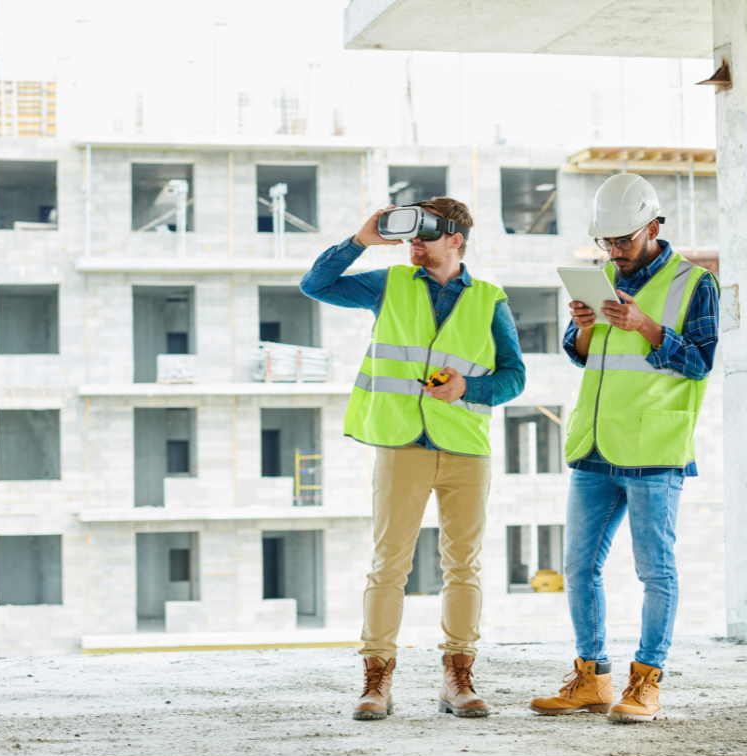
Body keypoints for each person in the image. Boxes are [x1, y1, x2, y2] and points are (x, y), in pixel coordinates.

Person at [301, 197, 525, 721]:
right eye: (410, 235)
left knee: (463, 568)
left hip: (466, 448)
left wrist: (470, 386)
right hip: (402, 445)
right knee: (388, 568)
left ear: (457, 241)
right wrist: (360, 242)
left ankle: (457, 677)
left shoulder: (490, 299)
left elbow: (514, 377)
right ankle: (376, 682)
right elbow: (316, 285)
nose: (413, 244)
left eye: (426, 235)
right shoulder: (389, 284)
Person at [528, 174, 719, 723]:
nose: (615, 251)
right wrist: (583, 327)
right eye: (606, 242)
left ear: (653, 226)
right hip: (595, 446)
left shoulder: (693, 283)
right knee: (579, 566)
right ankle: (591, 680)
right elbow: (582, 355)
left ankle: (647, 684)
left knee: (654, 571)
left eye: (624, 241)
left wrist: (646, 326)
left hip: (654, 450)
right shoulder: (603, 277)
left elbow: (700, 361)